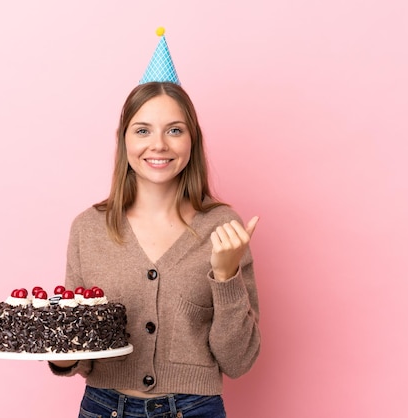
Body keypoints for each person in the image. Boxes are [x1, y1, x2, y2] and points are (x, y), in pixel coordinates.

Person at [48, 78, 260, 418]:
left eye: (174, 130)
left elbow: (238, 361)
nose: (158, 145)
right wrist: (61, 351)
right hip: (104, 408)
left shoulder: (222, 227)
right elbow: (79, 349)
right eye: (143, 130)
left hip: (193, 409)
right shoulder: (88, 228)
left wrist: (226, 277)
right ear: (124, 140)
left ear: (193, 139)